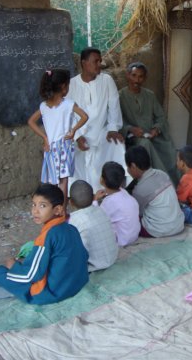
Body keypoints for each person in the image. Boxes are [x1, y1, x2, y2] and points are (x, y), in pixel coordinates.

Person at [0, 184, 89, 303]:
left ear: (57, 210)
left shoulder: (48, 236)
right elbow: (84, 256)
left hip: (52, 293)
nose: (35, 211)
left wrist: (13, 266)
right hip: (77, 284)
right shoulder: (72, 228)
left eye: (42, 206)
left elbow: (31, 276)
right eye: (33, 204)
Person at [68, 48, 127, 190]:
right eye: (96, 61)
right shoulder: (72, 85)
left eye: (100, 61)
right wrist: (77, 136)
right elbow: (68, 115)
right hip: (78, 133)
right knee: (68, 151)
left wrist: (113, 129)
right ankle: (78, 191)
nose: (100, 64)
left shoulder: (107, 80)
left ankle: (112, 187)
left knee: (117, 145)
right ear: (84, 63)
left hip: (101, 132)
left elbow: (114, 106)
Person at [27, 69, 89, 200]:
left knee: (52, 180)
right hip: (64, 147)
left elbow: (31, 121)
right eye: (68, 85)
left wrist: (45, 137)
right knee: (63, 181)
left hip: (50, 148)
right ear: (63, 86)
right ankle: (62, 210)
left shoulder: (44, 106)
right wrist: (73, 130)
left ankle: (55, 209)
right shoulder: (68, 104)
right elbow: (84, 116)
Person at [119, 62, 179, 183]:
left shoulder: (149, 95)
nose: (137, 80)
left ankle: (177, 184)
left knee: (170, 150)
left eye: (141, 76)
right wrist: (130, 129)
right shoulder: (119, 96)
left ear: (145, 78)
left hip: (152, 135)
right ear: (128, 75)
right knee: (145, 144)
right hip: (132, 138)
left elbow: (161, 117)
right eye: (134, 75)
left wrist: (156, 129)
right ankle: (163, 184)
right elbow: (116, 121)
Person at [125, 145, 185, 238]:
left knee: (128, 218)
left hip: (159, 230)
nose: (128, 170)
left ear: (133, 166)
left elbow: (138, 213)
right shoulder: (162, 173)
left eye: (128, 167)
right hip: (178, 225)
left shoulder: (140, 189)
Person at [68, 180, 119, 272]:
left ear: (71, 202)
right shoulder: (101, 210)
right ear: (93, 198)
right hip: (112, 257)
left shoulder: (73, 221)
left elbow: (78, 253)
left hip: (95, 265)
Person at [94, 161, 140, 247]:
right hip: (134, 236)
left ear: (102, 180)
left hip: (121, 240)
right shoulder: (124, 192)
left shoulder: (108, 202)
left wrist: (95, 201)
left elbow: (98, 219)